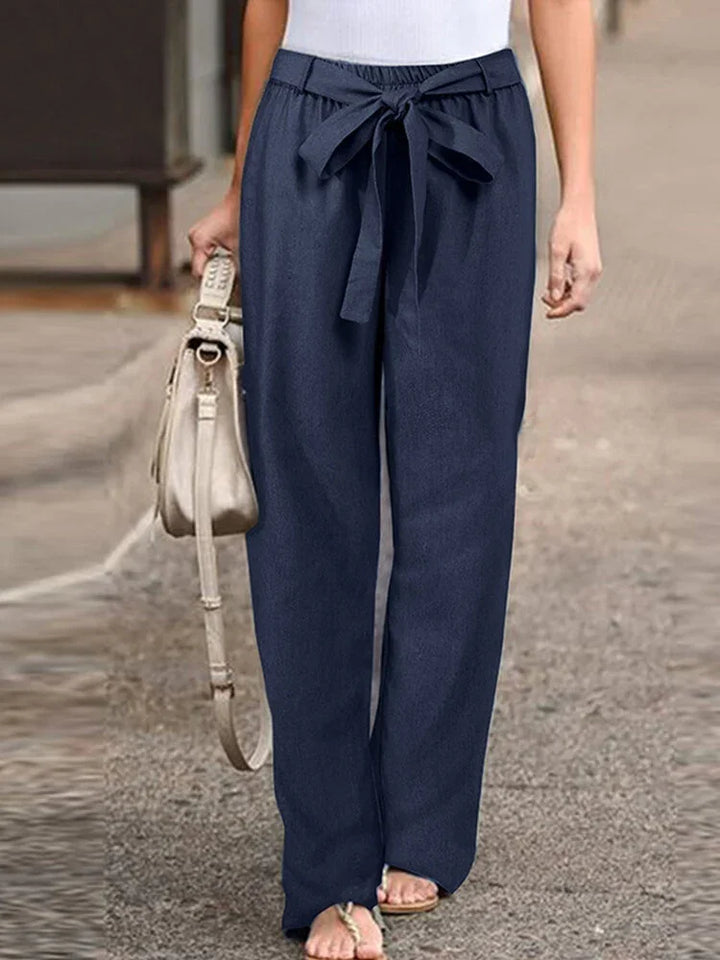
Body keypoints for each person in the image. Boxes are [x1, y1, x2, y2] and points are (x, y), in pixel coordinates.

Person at [188, 1, 602, 957]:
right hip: (308, 124)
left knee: (462, 491)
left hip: (472, 126)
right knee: (305, 502)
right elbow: (267, 6)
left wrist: (579, 191)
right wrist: (242, 182)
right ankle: (332, 865)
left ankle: (422, 822)